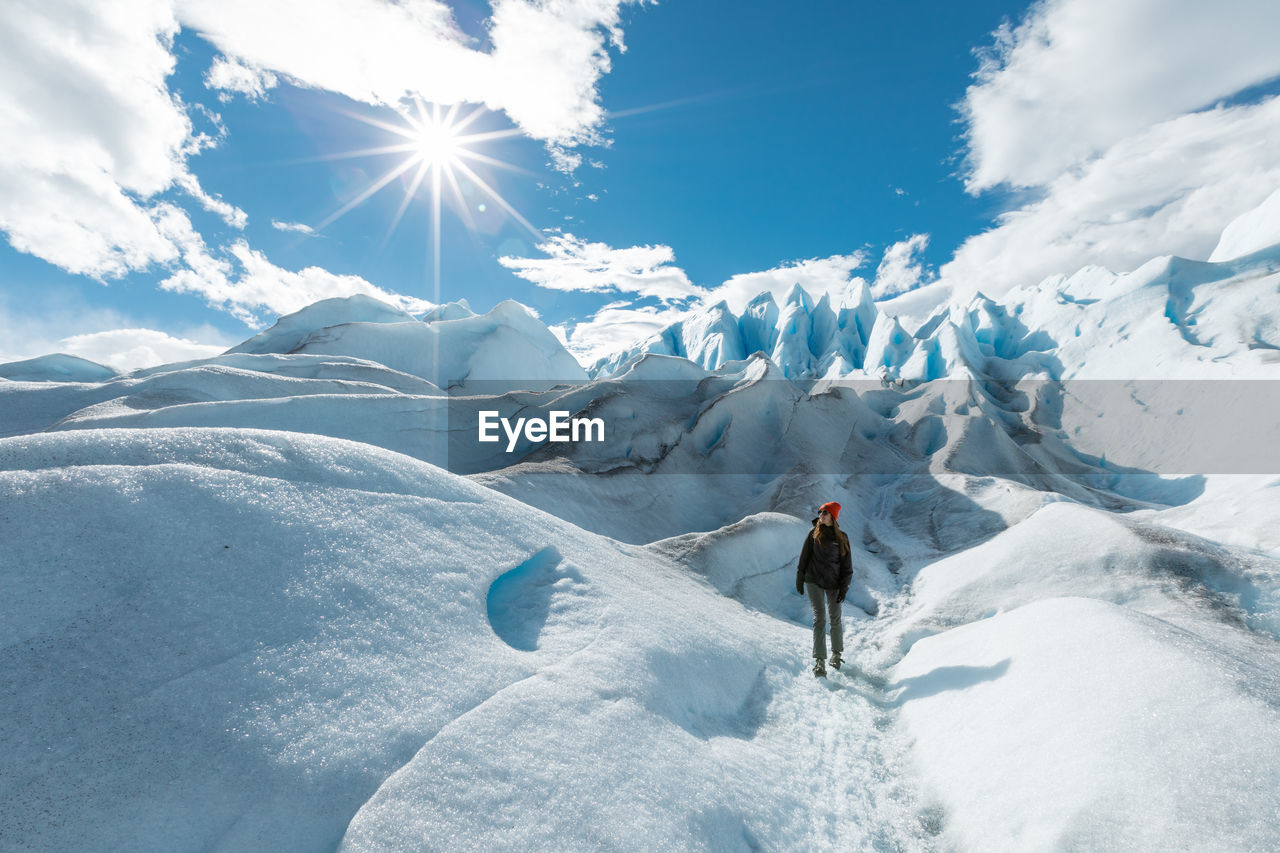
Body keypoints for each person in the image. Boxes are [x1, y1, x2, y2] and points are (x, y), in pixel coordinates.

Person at [795, 501, 852, 678]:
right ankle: (819, 661)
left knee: (835, 618)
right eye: (820, 512)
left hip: (834, 582)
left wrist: (844, 587)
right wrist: (800, 577)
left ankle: (836, 654)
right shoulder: (813, 534)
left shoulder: (842, 537)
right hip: (813, 580)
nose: (821, 515)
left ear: (833, 516)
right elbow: (804, 558)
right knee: (819, 618)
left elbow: (847, 566)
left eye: (825, 513)